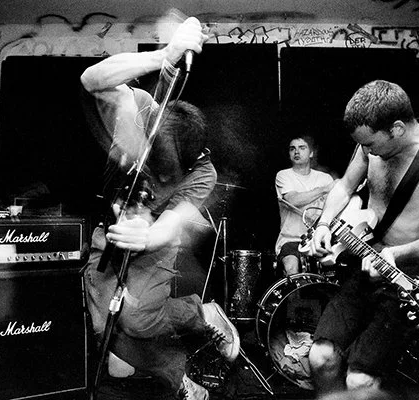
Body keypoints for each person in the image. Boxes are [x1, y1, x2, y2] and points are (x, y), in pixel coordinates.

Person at [80, 17, 240, 400]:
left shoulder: (203, 172)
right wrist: (163, 55)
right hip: (112, 228)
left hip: (155, 242)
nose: (160, 173)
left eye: (169, 170)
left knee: (137, 319)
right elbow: (91, 79)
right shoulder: (139, 110)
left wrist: (148, 236)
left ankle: (198, 312)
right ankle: (166, 372)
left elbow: (172, 224)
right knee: (103, 325)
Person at [305, 80, 419, 397]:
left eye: (370, 144)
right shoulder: (369, 144)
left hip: (407, 279)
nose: (366, 152)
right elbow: (344, 186)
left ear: (397, 129)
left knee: (360, 381)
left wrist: (396, 254)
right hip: (367, 266)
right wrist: (323, 224)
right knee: (320, 358)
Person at [275, 135, 335, 276]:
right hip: (292, 240)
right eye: (292, 149)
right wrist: (324, 189)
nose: (296, 152)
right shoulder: (283, 175)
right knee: (292, 269)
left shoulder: (325, 178)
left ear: (311, 153)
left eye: (302, 148)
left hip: (319, 239)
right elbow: (292, 200)